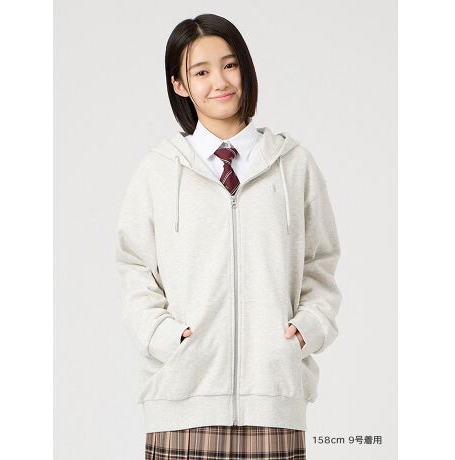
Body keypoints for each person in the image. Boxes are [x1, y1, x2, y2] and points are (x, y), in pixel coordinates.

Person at [115, 13, 342, 460]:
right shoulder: (158, 170)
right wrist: (167, 337)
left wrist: (305, 331)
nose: (219, 81)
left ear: (246, 69)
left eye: (230, 64)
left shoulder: (293, 165)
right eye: (201, 72)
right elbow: (135, 267)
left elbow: (321, 264)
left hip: (273, 401)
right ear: (180, 85)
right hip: (181, 402)